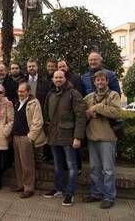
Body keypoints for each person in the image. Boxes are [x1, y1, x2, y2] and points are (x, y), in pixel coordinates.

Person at [43, 71, 86, 207]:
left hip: (68, 136)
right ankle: (58, 189)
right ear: (53, 79)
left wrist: (78, 137)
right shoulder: (50, 94)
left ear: (65, 78)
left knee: (72, 166)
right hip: (54, 135)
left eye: (60, 77)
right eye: (56, 77)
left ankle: (70, 194)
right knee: (57, 165)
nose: (58, 79)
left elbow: (81, 117)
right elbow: (46, 114)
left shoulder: (74, 94)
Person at [83, 71, 121, 209]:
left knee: (108, 170)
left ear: (106, 81)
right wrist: (88, 113)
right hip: (92, 136)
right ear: (94, 82)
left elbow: (117, 112)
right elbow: (81, 113)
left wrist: (98, 107)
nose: (100, 82)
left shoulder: (114, 95)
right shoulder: (88, 97)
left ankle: (109, 196)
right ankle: (96, 193)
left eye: (102, 80)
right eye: (97, 80)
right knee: (94, 168)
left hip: (108, 137)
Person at [11, 82, 46, 198]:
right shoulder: (17, 103)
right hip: (16, 136)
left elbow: (38, 122)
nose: (20, 93)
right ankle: (21, 185)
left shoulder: (34, 103)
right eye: (19, 91)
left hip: (26, 137)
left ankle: (29, 188)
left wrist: (30, 137)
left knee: (27, 164)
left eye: (22, 91)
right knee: (18, 164)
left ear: (28, 92)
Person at [57, 59, 84, 172]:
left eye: (63, 66)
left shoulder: (76, 78)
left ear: (67, 66)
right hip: (61, 118)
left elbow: (79, 95)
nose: (62, 68)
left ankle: (78, 167)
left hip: (72, 115)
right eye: (60, 67)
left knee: (74, 146)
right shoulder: (56, 79)